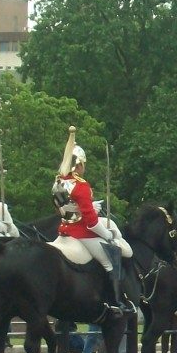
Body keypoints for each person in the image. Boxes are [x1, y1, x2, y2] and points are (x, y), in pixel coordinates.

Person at [51, 126, 122, 308]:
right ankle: (115, 303)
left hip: (64, 230)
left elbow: (66, 210)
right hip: (81, 233)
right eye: (84, 164)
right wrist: (107, 235)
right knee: (110, 262)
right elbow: (91, 224)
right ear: (79, 164)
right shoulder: (81, 185)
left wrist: (91, 206)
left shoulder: (59, 182)